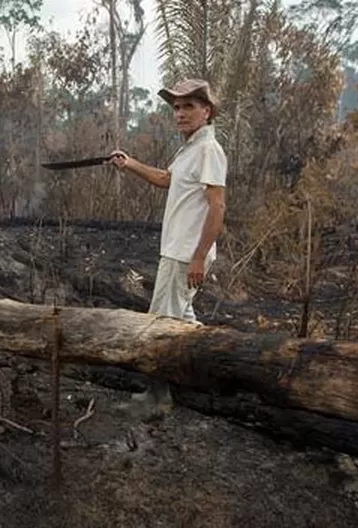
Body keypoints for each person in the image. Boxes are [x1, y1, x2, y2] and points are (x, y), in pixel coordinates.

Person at [107, 78, 227, 418]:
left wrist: (199, 257)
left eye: (189, 106)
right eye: (176, 107)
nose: (180, 113)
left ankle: (158, 397)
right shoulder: (190, 148)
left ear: (208, 111)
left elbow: (217, 207)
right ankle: (215, 370)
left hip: (184, 254)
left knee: (159, 324)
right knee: (184, 323)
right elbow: (166, 179)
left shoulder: (208, 150)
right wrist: (128, 163)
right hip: (178, 249)